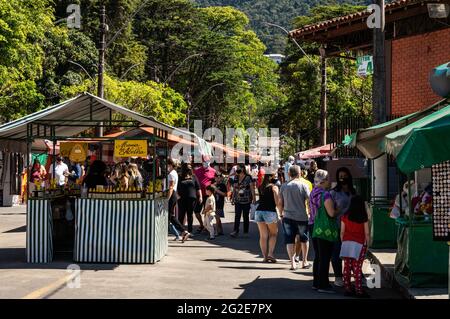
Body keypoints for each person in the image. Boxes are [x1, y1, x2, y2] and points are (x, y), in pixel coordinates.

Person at [309, 169, 338, 293]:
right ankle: (323, 285)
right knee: (325, 256)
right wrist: (340, 209)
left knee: (318, 256)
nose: (330, 181)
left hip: (313, 225)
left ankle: (316, 282)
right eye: (328, 179)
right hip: (323, 228)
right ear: (324, 181)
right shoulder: (325, 195)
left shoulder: (313, 192)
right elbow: (331, 213)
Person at [279, 165, 311, 270]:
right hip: (302, 216)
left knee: (289, 240)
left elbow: (280, 203)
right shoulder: (303, 185)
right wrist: (310, 212)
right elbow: (309, 200)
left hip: (287, 216)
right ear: (300, 173)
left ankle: (293, 263)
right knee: (304, 239)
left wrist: (281, 214)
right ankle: (304, 261)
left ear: (289, 174)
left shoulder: (284, 186)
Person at [330, 167, 356, 287]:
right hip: (338, 226)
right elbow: (330, 212)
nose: (342, 178)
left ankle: (354, 276)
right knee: (336, 252)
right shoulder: (333, 192)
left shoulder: (353, 191)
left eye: (345, 175)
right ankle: (338, 276)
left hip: (353, 227)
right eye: (340, 175)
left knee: (352, 253)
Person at [340, 195, 370, 298]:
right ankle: (359, 290)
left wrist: (343, 242)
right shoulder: (363, 217)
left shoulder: (345, 216)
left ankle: (348, 288)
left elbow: (342, 232)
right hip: (359, 244)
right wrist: (367, 245)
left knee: (347, 267)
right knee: (357, 268)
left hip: (346, 243)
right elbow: (367, 233)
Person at [255, 173, 281, 263]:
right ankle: (270, 254)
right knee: (273, 233)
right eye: (275, 176)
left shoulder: (260, 186)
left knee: (263, 236)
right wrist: (281, 212)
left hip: (259, 211)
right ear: (271, 177)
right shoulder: (274, 187)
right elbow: (277, 202)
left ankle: (265, 257)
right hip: (270, 211)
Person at [294, 165, 313, 268]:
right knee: (304, 237)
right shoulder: (308, 183)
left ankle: (296, 256)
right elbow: (310, 199)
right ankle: (303, 259)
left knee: (297, 237)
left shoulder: (289, 184)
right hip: (304, 213)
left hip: (292, 213)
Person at [167, 158, 190, 242]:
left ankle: (182, 232)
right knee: (171, 216)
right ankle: (182, 232)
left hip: (171, 195)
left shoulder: (171, 174)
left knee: (169, 217)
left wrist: (167, 198)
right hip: (173, 195)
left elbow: (171, 187)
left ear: (170, 165)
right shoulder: (174, 173)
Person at [230, 163, 256, 238]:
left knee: (245, 216)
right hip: (238, 200)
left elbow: (252, 188)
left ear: (242, 169)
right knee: (237, 215)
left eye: (238, 168)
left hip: (247, 200)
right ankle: (235, 231)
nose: (237, 170)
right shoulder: (236, 177)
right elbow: (234, 188)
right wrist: (232, 198)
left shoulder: (248, 177)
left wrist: (254, 198)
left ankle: (245, 231)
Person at [194, 156, 216, 233]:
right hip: (199, 194)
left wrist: (213, 187)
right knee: (197, 212)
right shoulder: (196, 171)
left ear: (209, 162)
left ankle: (207, 227)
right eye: (203, 161)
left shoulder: (213, 171)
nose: (205, 163)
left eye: (206, 161)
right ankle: (202, 225)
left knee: (206, 212)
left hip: (208, 195)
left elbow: (215, 181)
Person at [177, 163, 201, 233]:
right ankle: (181, 231)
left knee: (190, 215)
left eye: (190, 167)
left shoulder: (193, 176)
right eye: (188, 168)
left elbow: (198, 187)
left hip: (192, 199)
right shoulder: (180, 176)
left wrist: (200, 196)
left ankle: (190, 231)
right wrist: (177, 195)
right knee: (181, 214)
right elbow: (176, 187)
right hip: (182, 199)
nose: (189, 169)